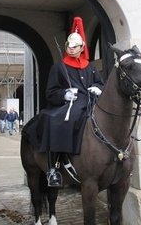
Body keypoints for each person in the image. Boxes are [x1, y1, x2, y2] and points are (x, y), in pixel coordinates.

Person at [24, 17, 104, 187]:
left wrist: (98, 88)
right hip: (70, 105)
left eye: (74, 46)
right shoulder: (59, 67)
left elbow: (99, 82)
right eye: (68, 46)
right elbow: (50, 92)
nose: (70, 49)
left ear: (82, 48)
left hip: (90, 101)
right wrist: (65, 95)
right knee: (53, 120)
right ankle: (54, 167)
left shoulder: (90, 67)